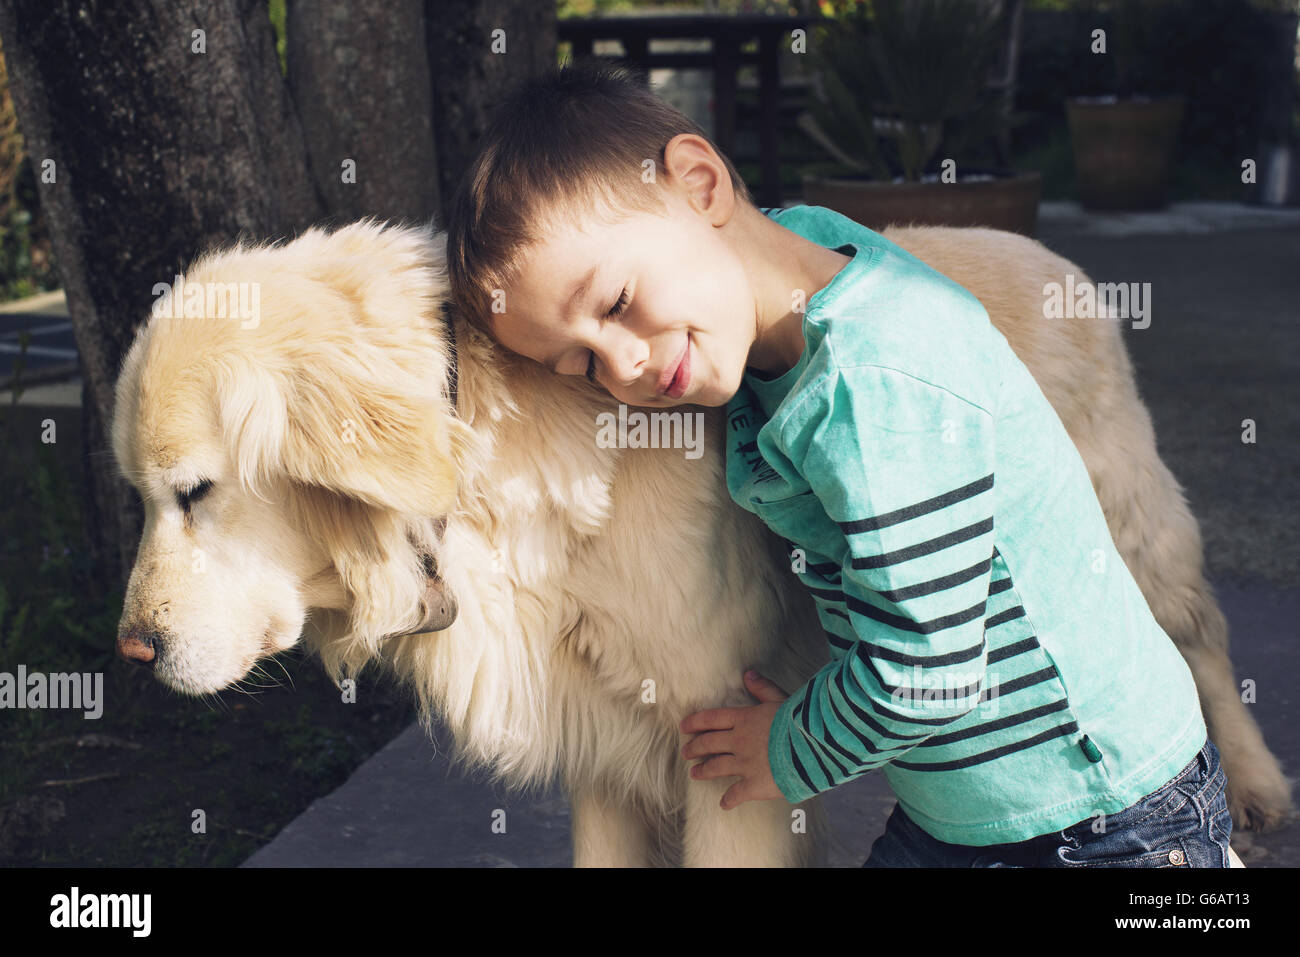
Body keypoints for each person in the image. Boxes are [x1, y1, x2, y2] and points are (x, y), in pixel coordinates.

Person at [443, 60, 1231, 867]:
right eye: (579, 365)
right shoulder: (797, 260)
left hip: (1099, 815)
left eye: (613, 304)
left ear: (702, 185)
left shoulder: (873, 387)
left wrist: (782, 751)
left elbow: (930, 666)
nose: (622, 366)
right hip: (958, 814)